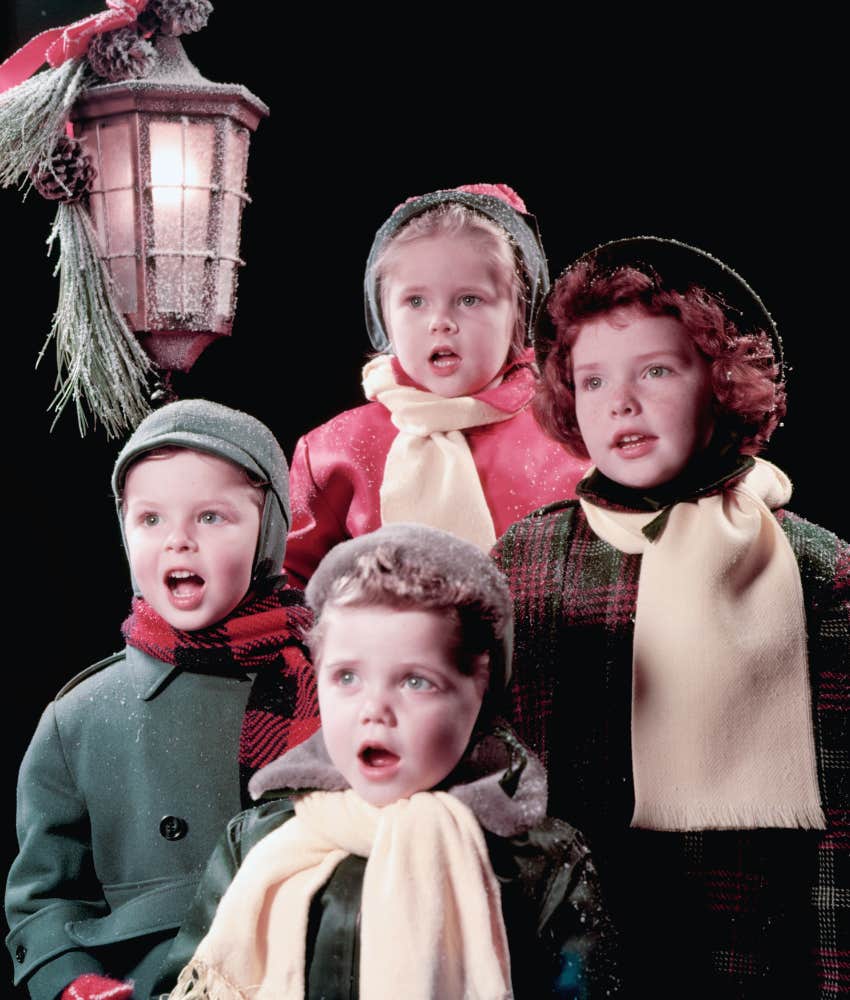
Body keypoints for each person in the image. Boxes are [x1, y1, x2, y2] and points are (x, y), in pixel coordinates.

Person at [492, 237, 849, 998]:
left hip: (752, 948)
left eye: (655, 370)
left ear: (721, 383)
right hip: (568, 942)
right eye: (591, 381)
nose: (619, 402)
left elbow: (844, 811)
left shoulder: (815, 568)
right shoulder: (525, 560)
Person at [159, 524, 619, 999]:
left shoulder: (538, 860)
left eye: (415, 681)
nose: (373, 710)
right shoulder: (259, 839)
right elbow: (186, 979)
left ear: (479, 688)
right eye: (347, 677)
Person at [5, 400, 320, 1000]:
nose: (178, 541)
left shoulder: (335, 681)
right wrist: (73, 984)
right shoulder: (81, 719)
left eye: (211, 517)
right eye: (150, 519)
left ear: (268, 531)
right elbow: (44, 898)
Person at [284, 183, 588, 586]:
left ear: (519, 313)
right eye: (415, 301)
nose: (440, 321)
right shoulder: (332, 450)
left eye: (469, 299)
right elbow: (290, 580)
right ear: (384, 315)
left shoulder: (570, 432)